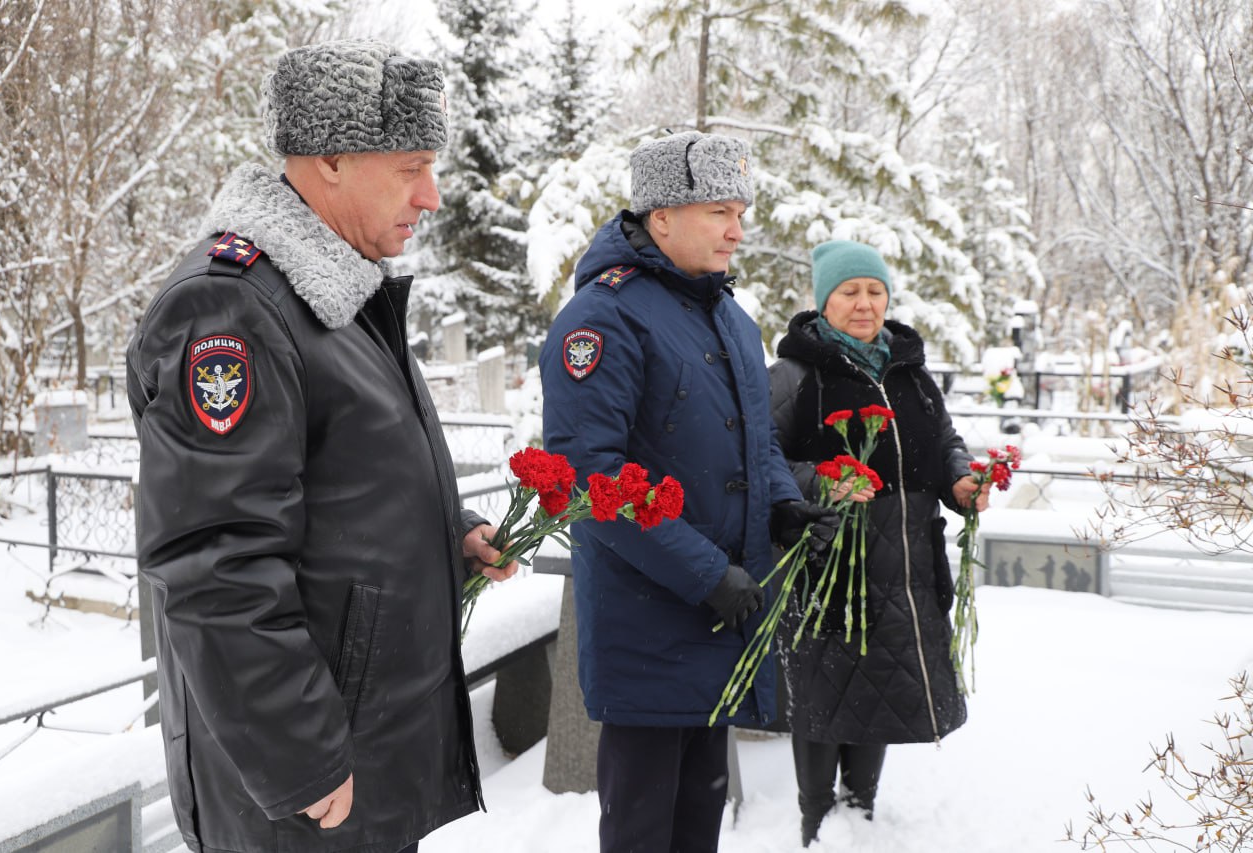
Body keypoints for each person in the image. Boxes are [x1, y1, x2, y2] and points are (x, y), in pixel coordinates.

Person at [126, 41, 517, 853]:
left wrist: (448, 537)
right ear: (330, 159)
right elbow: (215, 560)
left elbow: (341, 485)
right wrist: (300, 759)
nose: (432, 195)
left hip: (360, 751)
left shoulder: (332, 288)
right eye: (411, 166)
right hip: (303, 789)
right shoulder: (231, 307)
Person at [539, 131, 839, 853]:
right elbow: (591, 475)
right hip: (652, 621)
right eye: (719, 211)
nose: (738, 228)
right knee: (645, 829)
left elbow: (755, 440)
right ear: (661, 217)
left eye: (740, 210)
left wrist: (781, 506)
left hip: (718, 618)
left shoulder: (732, 319)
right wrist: (706, 573)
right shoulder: (604, 317)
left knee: (698, 824)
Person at [768, 239, 991, 847]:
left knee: (883, 683)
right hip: (829, 562)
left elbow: (943, 439)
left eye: (874, 291)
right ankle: (815, 821)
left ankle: (859, 814)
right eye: (849, 292)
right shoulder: (794, 376)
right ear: (824, 301)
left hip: (907, 562)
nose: (864, 304)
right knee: (822, 684)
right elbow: (762, 460)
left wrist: (961, 478)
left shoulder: (909, 372)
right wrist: (824, 480)